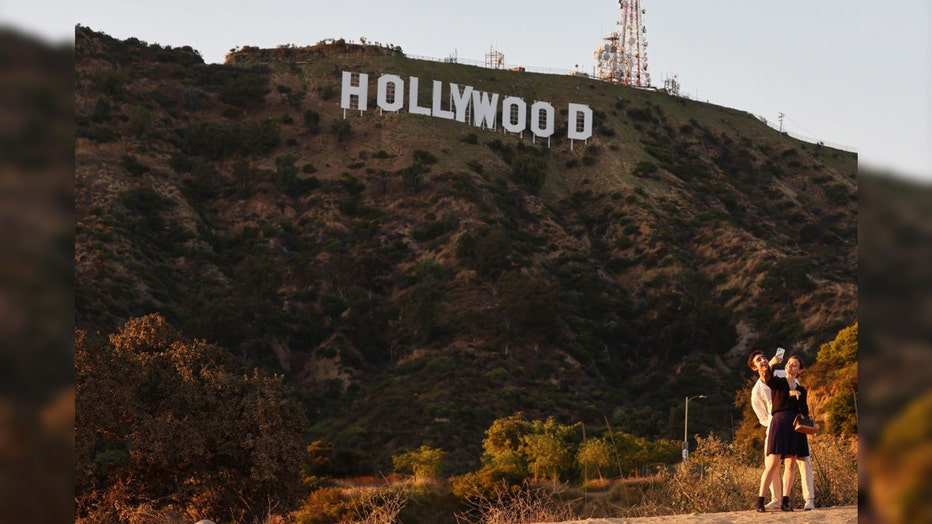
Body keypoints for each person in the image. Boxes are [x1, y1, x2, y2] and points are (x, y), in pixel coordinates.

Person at [751, 353, 816, 510]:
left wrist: (798, 396)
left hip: (794, 425)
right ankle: (765, 500)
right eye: (789, 363)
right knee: (772, 463)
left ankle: (792, 500)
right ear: (754, 367)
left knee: (795, 462)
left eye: (794, 365)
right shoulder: (771, 383)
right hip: (777, 424)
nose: (790, 366)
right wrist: (772, 363)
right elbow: (768, 381)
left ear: (800, 370)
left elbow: (804, 410)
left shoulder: (799, 386)